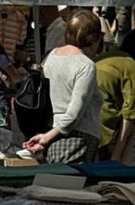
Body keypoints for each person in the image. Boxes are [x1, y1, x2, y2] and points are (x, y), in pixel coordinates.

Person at [26, 8, 104, 163]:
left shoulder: (51, 57)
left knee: (55, 183)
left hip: (51, 132)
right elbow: (75, 112)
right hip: (76, 137)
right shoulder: (85, 65)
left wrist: (47, 136)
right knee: (74, 184)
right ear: (94, 38)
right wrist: (47, 138)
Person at [95, 28, 135, 163]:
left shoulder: (108, 56)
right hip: (104, 124)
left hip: (89, 120)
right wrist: (116, 157)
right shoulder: (132, 66)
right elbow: (129, 115)